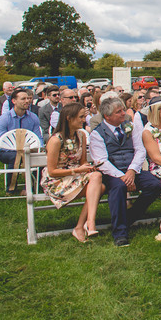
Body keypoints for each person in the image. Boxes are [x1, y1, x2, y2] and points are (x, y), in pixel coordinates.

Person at [89, 96, 161, 246]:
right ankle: (120, 233)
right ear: (107, 116)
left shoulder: (130, 126)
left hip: (132, 169)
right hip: (111, 173)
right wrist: (122, 176)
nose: (124, 113)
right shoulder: (97, 134)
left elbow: (140, 150)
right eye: (119, 112)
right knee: (118, 187)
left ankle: (129, 217)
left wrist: (131, 171)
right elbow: (101, 161)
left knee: (154, 185)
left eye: (123, 110)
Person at [41, 102, 104, 243]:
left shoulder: (81, 135)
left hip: (76, 177)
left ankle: (82, 226)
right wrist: (77, 170)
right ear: (69, 118)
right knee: (99, 186)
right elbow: (51, 171)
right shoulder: (56, 140)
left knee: (97, 178)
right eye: (81, 117)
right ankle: (87, 224)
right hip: (57, 181)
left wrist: (89, 167)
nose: (84, 120)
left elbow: (82, 162)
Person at [0, 88, 43, 195]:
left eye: (28, 98)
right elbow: (1, 141)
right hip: (7, 152)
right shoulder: (4, 119)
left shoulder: (33, 117)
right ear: (14, 101)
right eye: (23, 99)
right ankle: (11, 189)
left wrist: (39, 149)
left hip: (28, 150)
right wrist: (18, 151)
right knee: (17, 156)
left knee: (41, 155)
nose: (27, 101)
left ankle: (35, 186)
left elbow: (38, 137)